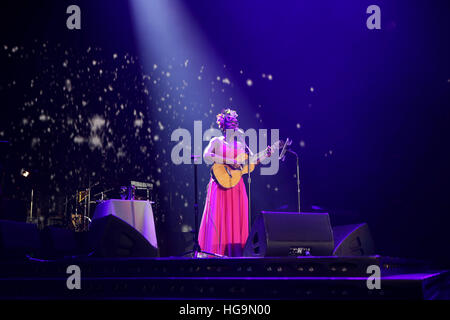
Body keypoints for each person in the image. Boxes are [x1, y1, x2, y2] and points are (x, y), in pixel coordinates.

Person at [198, 108, 250, 257]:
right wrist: (229, 160)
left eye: (235, 126)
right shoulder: (216, 141)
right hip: (219, 185)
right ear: (224, 128)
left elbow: (249, 160)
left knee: (235, 217)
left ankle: (235, 253)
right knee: (218, 216)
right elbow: (207, 156)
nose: (233, 129)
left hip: (236, 185)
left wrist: (242, 139)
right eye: (230, 126)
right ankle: (215, 253)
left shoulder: (240, 144)